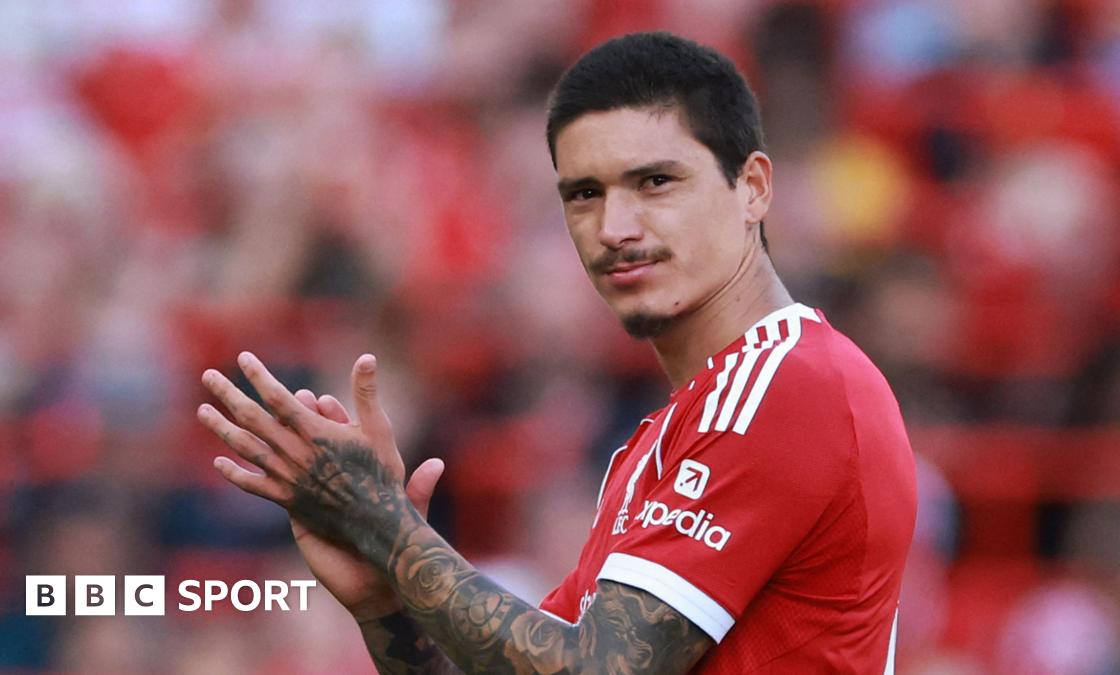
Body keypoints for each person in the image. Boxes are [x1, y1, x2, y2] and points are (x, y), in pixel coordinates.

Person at [198, 31, 917, 674]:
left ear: (752, 187)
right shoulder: (665, 438)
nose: (615, 226)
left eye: (655, 181)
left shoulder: (790, 383)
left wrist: (386, 526)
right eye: (584, 194)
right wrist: (385, 599)